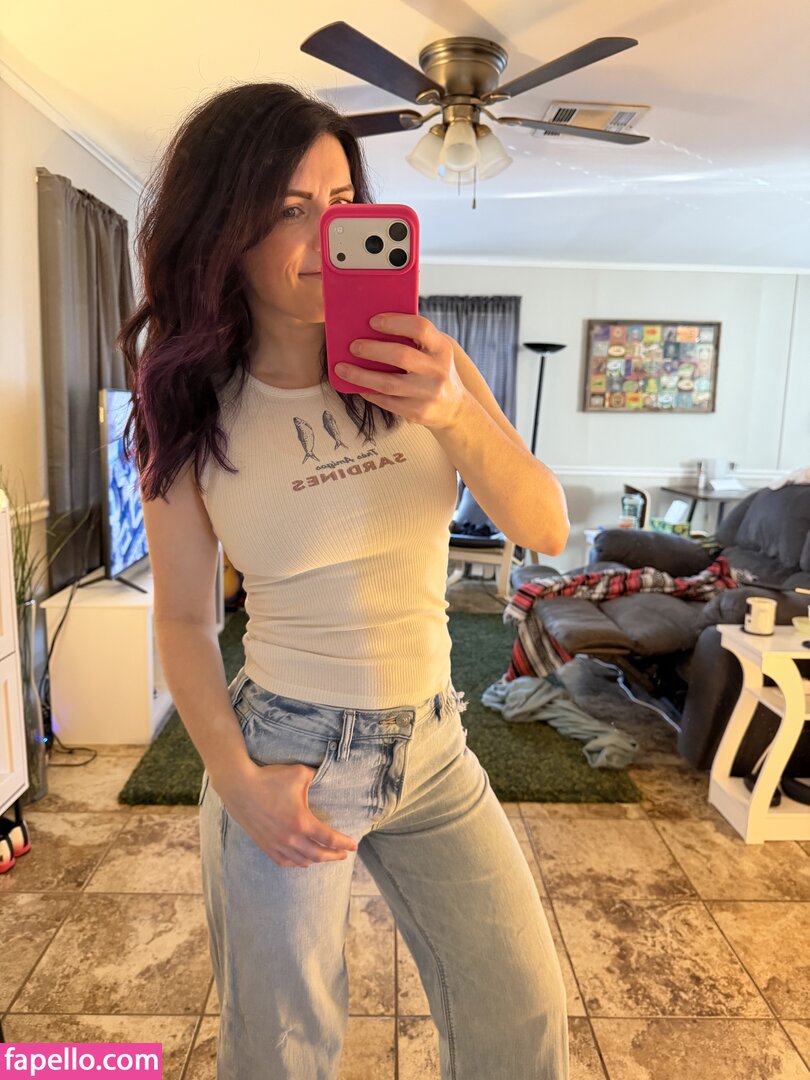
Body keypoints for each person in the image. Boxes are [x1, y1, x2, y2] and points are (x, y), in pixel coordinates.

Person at [120, 81, 570, 1079]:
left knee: (522, 1019)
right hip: (289, 754)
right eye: (291, 210)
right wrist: (237, 783)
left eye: (342, 203)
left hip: (436, 745)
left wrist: (454, 413)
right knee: (282, 1052)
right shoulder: (191, 411)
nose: (328, 236)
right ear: (225, 232)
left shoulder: (429, 363)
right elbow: (185, 622)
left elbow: (545, 525)